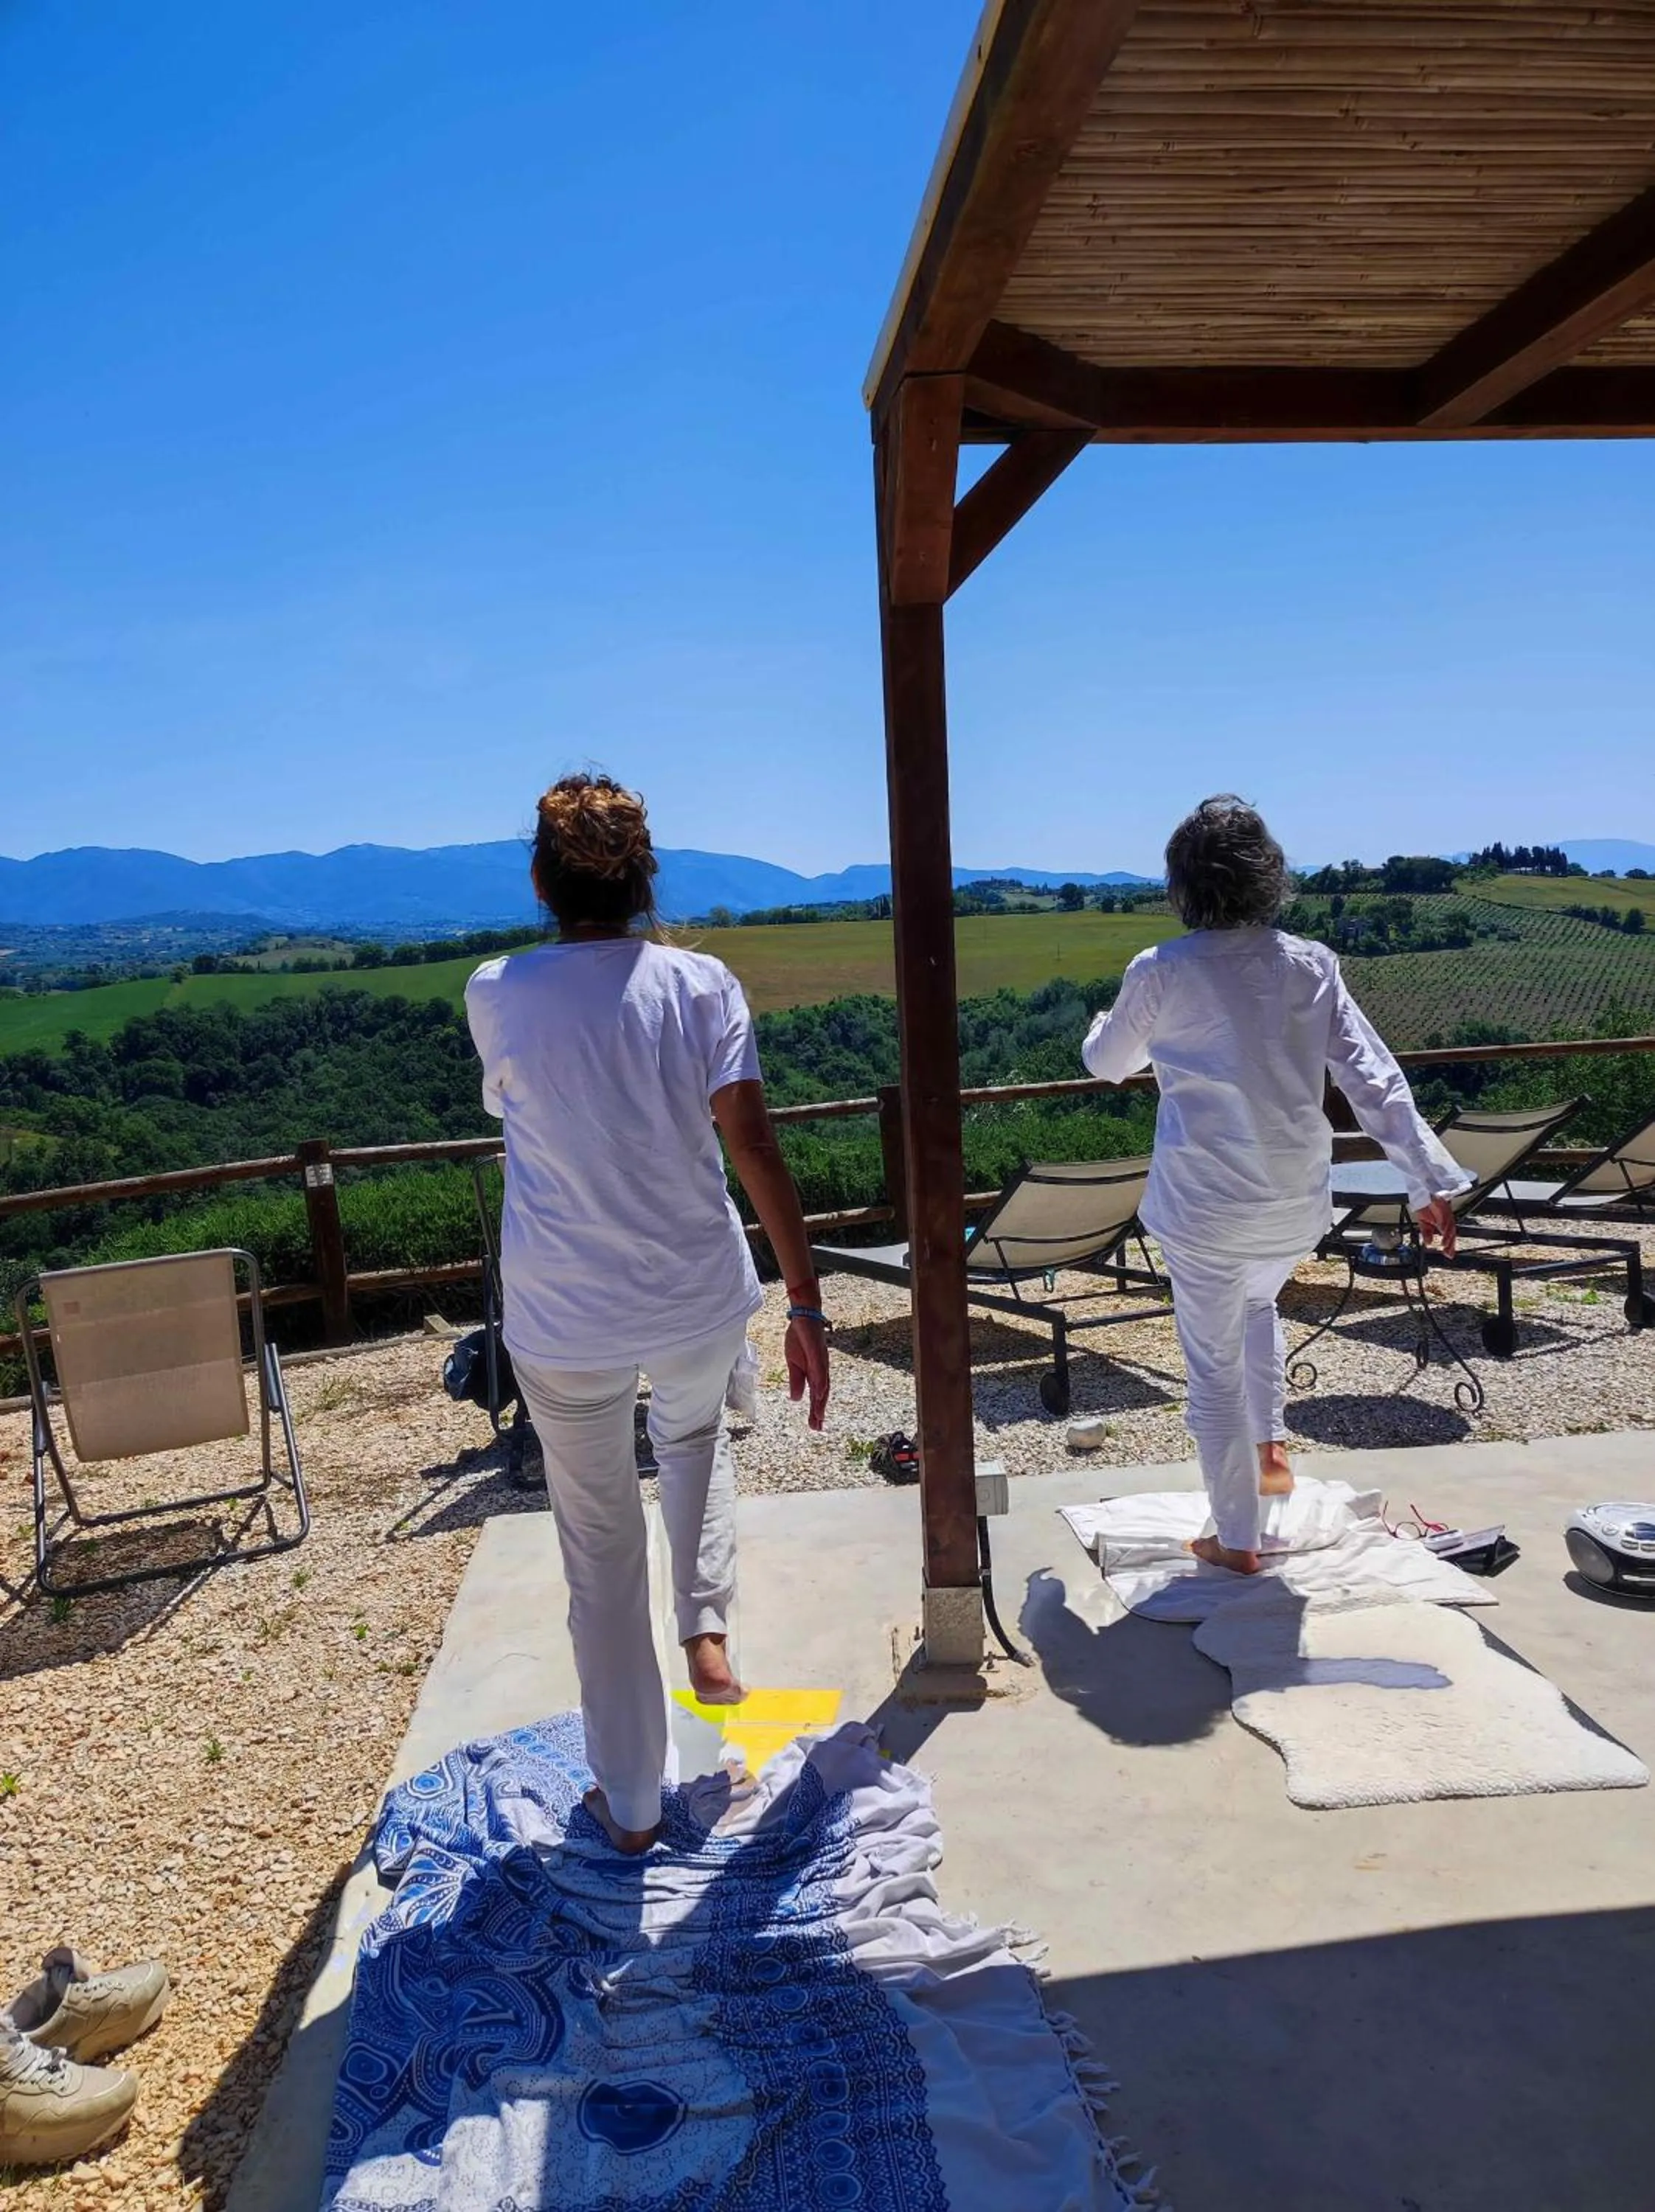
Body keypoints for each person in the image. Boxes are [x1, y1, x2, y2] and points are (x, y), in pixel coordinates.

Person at [465, 773, 830, 1851]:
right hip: (694, 1294)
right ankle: (705, 1628)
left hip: (564, 1309)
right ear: (645, 879)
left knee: (599, 1553)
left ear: (541, 882)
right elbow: (752, 1145)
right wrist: (805, 1299)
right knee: (694, 1440)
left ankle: (629, 1809)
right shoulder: (703, 985)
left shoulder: (499, 991)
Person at [1081, 796, 1470, 1575]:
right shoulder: (1311, 965)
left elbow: (1108, 1062)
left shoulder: (1161, 969)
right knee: (1257, 1305)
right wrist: (1425, 1179)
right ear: (1268, 878)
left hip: (1204, 1208)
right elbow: (1373, 1078)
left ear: (1183, 883)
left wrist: (1101, 1025)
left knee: (1213, 1370)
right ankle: (1269, 1452)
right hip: (1292, 1204)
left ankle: (1237, 1539)